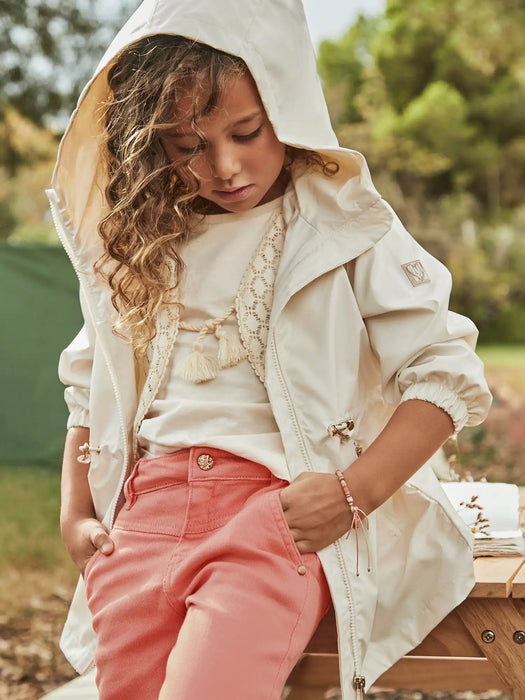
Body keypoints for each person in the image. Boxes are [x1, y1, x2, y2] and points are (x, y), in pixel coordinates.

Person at [48, 1, 492, 698]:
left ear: (286, 104)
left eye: (246, 132)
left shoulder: (345, 227)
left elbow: (444, 375)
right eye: (186, 144)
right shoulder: (138, 246)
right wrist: (76, 515)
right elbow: (88, 387)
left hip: (275, 513)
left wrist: (352, 494)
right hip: (142, 518)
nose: (222, 167)